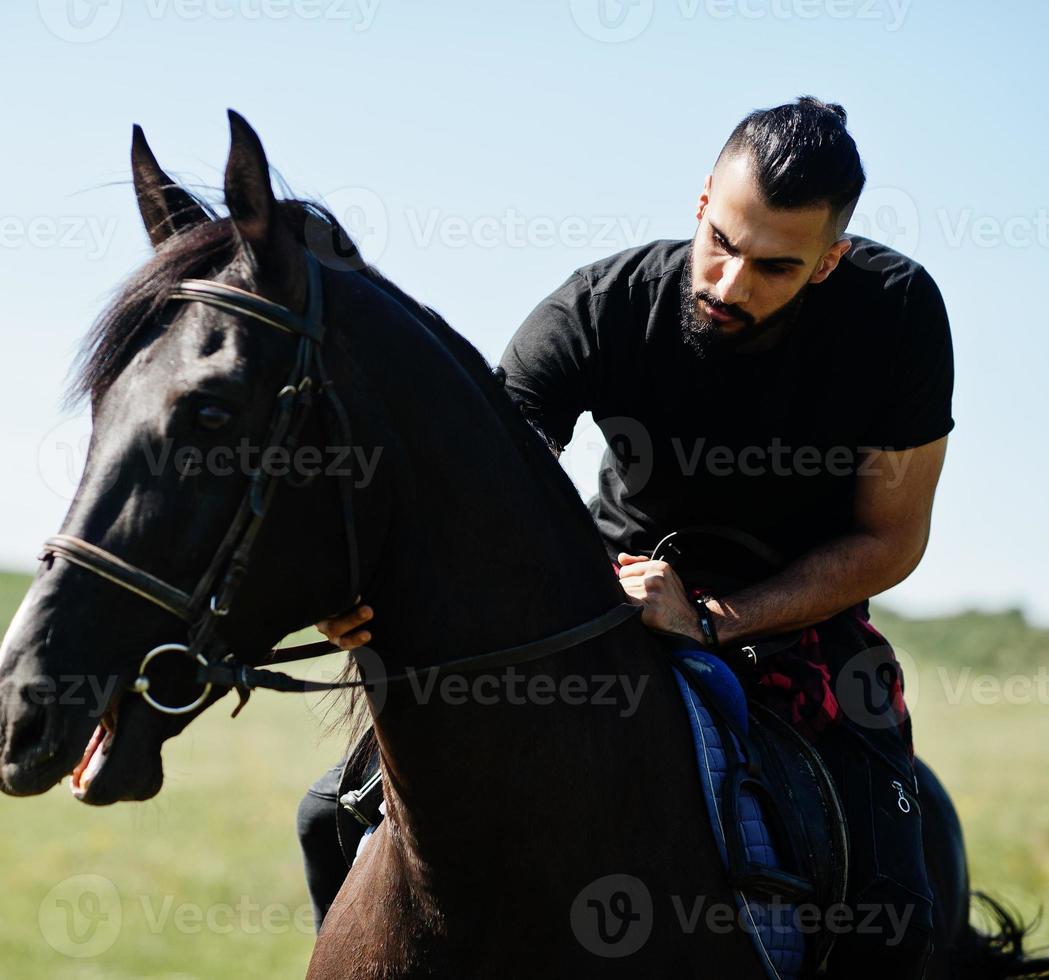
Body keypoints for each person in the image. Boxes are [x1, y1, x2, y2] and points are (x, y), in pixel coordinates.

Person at [298, 96, 953, 979]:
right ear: (700, 205)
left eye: (773, 267)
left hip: (799, 621)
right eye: (720, 241)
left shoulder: (899, 313)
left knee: (897, 916)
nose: (728, 284)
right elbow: (475, 496)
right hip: (605, 599)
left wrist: (716, 619)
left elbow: (890, 541)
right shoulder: (600, 306)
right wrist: (369, 595)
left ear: (829, 261)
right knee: (325, 814)